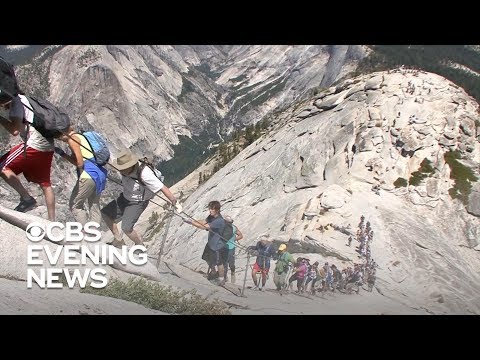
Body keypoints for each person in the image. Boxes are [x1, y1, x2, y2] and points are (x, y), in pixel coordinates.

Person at [101, 148, 182, 247]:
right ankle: (118, 241)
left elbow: (162, 187)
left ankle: (139, 245)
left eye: (123, 168)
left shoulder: (145, 174)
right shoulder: (125, 169)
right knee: (105, 213)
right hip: (125, 196)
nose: (120, 170)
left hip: (137, 202)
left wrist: (174, 202)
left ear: (130, 166)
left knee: (126, 227)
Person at [0, 93, 57, 220]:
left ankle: (27, 199)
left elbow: (15, 130)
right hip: (48, 144)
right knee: (45, 183)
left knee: (2, 166)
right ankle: (52, 221)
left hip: (33, 143)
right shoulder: (27, 100)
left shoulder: (16, 103)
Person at [54, 128, 107, 227]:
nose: (61, 139)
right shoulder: (82, 136)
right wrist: (63, 154)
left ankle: (86, 230)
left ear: (64, 133)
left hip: (88, 175)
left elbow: (80, 163)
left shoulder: (72, 139)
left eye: (60, 137)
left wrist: (81, 175)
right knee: (94, 205)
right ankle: (95, 232)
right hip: (99, 174)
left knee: (75, 205)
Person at [183, 200, 228, 286]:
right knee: (206, 258)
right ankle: (214, 273)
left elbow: (204, 226)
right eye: (210, 209)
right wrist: (192, 220)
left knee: (219, 263)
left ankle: (221, 279)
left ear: (217, 210)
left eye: (212, 209)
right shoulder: (211, 217)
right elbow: (203, 221)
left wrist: (191, 222)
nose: (210, 210)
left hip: (217, 245)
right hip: (211, 243)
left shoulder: (219, 220)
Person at [223, 215, 243, 284]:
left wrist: (234, 239)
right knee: (224, 263)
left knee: (231, 263)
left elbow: (240, 235)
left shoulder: (234, 228)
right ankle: (224, 277)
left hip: (231, 247)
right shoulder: (222, 227)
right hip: (223, 247)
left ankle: (232, 272)